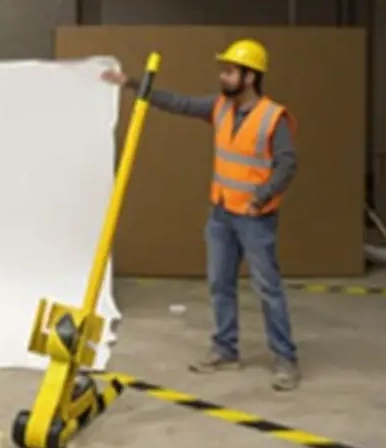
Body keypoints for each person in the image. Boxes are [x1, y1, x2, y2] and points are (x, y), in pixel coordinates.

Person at [101, 39, 301, 391]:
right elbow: (178, 103)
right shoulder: (220, 107)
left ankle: (285, 359)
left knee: (268, 288)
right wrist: (134, 84)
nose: (223, 75)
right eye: (223, 69)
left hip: (255, 218)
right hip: (222, 213)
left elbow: (287, 165)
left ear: (250, 76)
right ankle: (225, 350)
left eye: (230, 70)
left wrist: (262, 195)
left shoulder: (274, 117)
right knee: (219, 284)